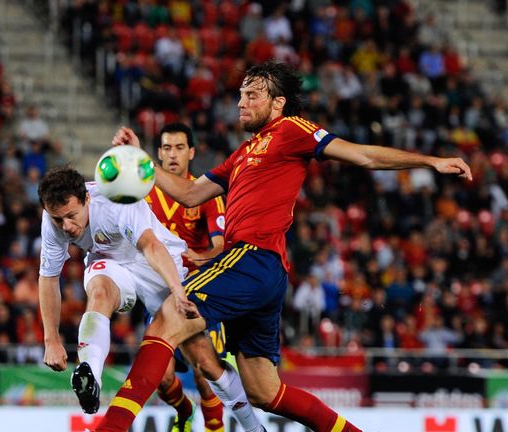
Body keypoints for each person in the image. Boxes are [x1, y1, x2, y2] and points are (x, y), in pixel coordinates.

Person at [96, 60, 472, 432]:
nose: (241, 103)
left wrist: (429, 161)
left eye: (252, 95)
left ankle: (110, 427)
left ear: (277, 103)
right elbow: (190, 193)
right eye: (240, 95)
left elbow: (363, 155)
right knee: (264, 389)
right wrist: (140, 158)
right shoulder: (243, 153)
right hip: (259, 271)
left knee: (168, 316)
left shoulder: (292, 129)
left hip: (252, 258)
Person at [37, 167, 263, 432]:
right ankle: (90, 374)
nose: (67, 227)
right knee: (98, 292)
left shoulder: (116, 202)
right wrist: (51, 339)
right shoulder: (52, 220)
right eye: (58, 220)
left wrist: (178, 292)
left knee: (205, 362)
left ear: (87, 199)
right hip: (111, 263)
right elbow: (48, 278)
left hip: (156, 263)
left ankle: (253, 428)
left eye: (71, 217)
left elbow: (151, 246)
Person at [145, 122, 227, 432]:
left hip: (197, 294)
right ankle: (183, 410)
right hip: (157, 292)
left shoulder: (205, 192)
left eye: (180, 148)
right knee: (163, 380)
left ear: (191, 152)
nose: (173, 154)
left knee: (207, 375)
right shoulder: (143, 191)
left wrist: (201, 256)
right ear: (158, 153)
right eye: (167, 148)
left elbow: (221, 246)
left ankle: (215, 428)